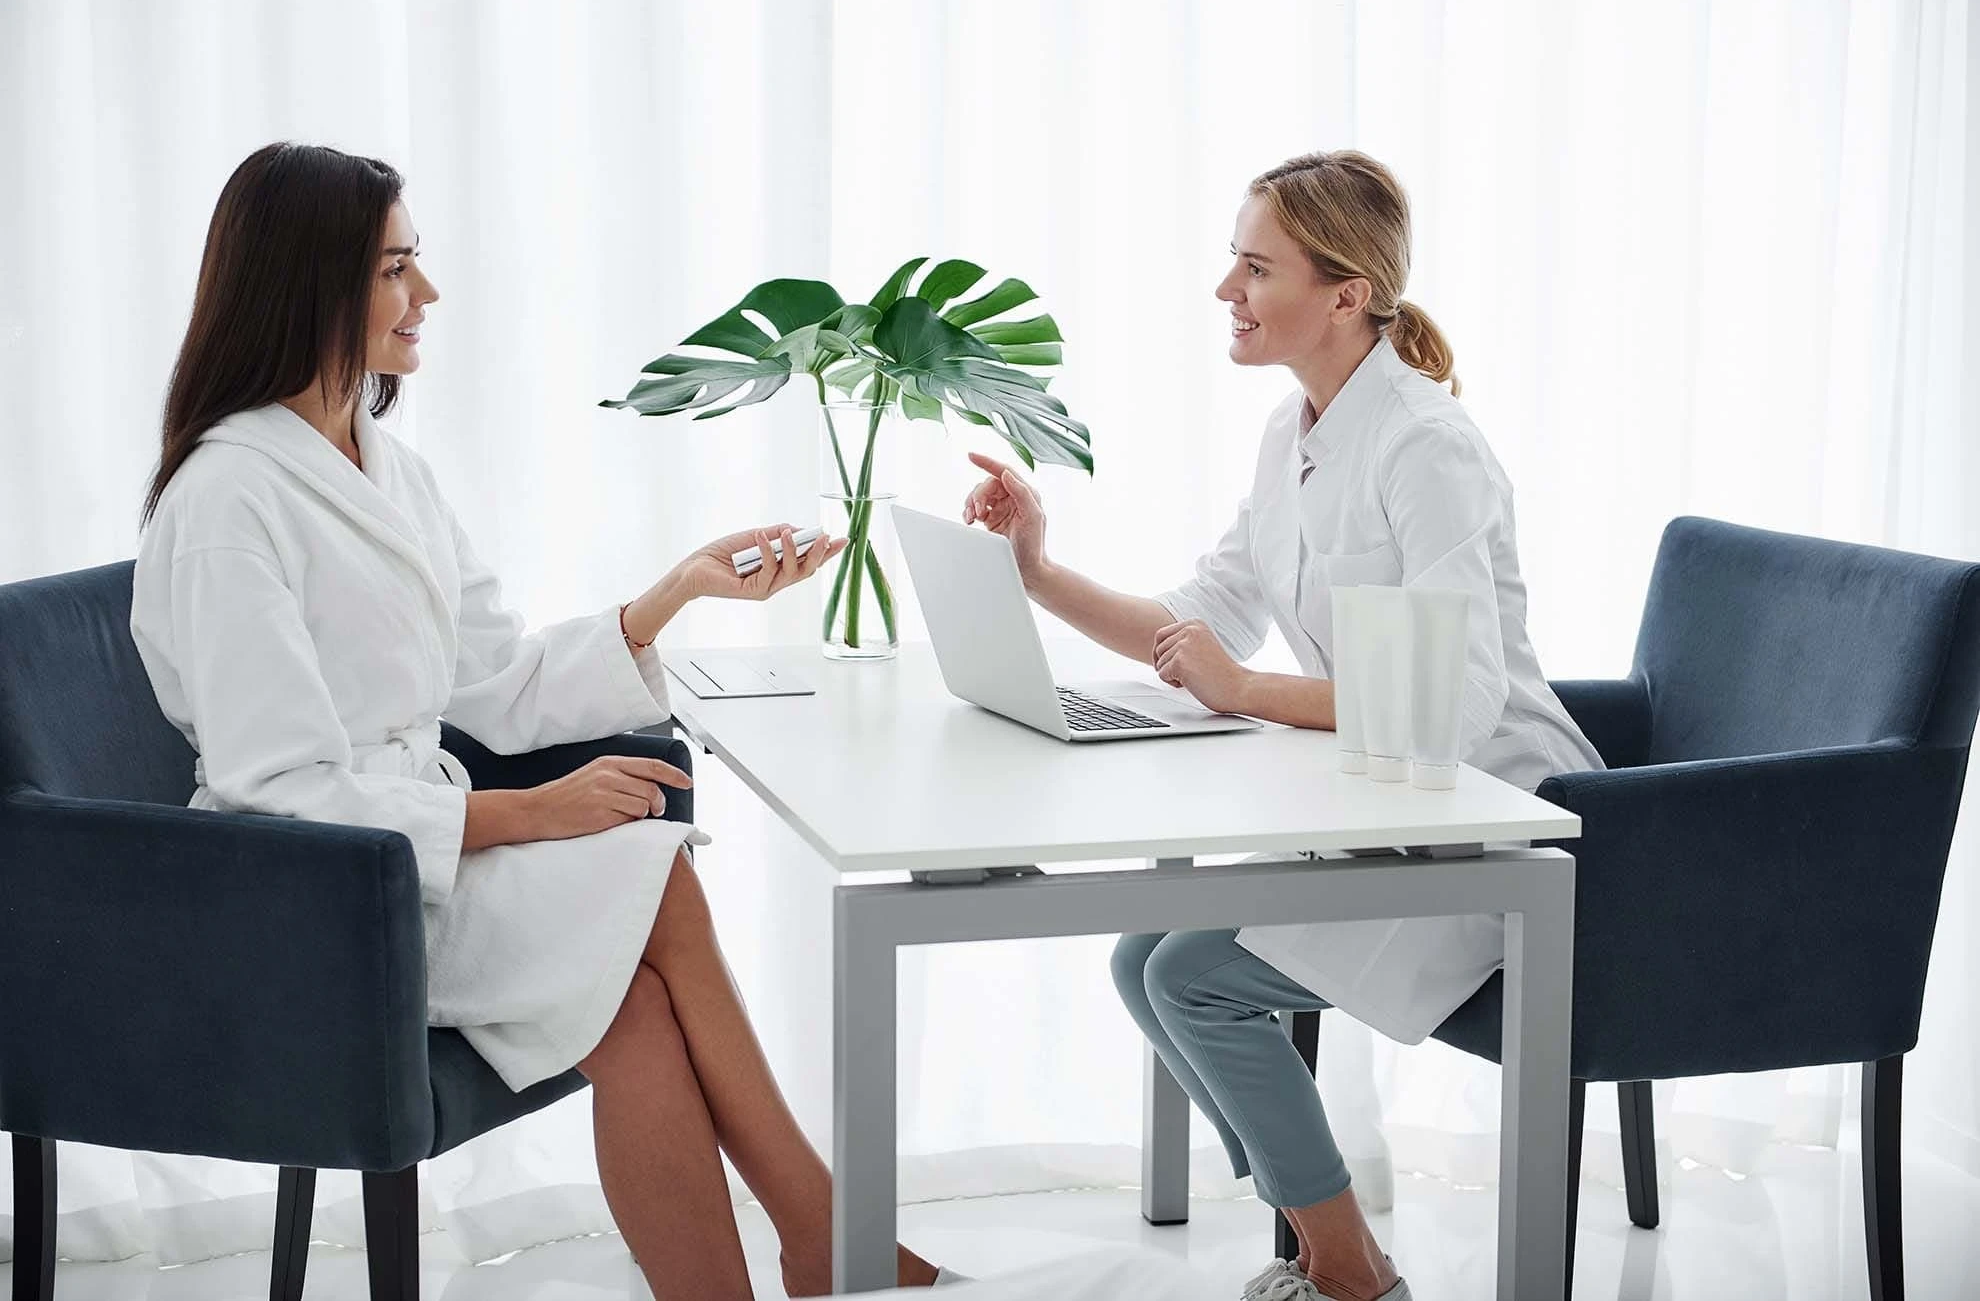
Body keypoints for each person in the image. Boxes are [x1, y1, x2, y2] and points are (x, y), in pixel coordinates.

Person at [131, 142, 956, 1300]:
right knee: (652, 886)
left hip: (410, 854)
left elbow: (494, 680)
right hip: (307, 901)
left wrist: (670, 595)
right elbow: (283, 788)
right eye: (395, 270)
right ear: (308, 281)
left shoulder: (385, 466)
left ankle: (809, 1241)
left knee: (640, 1012)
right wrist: (528, 813)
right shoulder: (228, 499)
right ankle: (820, 1226)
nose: (427, 296)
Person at [962, 149, 1603, 1301]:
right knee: (1141, 957)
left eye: (1256, 268)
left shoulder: (1429, 448)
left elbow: (1450, 710)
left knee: (1195, 976)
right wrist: (1037, 570)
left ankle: (1347, 1268)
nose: (1227, 292)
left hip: (1496, 829)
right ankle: (1328, 1243)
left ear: (1347, 293)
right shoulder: (1290, 432)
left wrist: (1247, 690)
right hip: (1383, 810)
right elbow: (1202, 617)